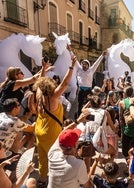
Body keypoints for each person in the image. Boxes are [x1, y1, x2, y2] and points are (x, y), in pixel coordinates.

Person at [33, 51, 78, 186]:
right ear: (51, 86)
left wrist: (43, 69)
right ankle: (56, 180)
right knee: (56, 157)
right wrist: (71, 66)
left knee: (42, 157)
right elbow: (64, 83)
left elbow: (40, 83)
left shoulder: (39, 96)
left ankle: (42, 179)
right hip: (51, 133)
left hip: (39, 131)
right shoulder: (53, 98)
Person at [47, 111, 91, 188]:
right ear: (75, 145)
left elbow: (62, 134)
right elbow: (87, 185)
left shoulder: (52, 154)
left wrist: (77, 121)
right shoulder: (78, 164)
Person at [77, 51, 106, 116]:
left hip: (88, 90)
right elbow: (75, 61)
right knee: (80, 105)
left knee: (89, 104)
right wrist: (70, 50)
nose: (84, 65)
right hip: (81, 90)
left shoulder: (91, 70)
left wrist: (102, 55)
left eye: (85, 64)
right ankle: (79, 118)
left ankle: (88, 117)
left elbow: (96, 63)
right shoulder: (79, 69)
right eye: (83, 64)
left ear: (88, 65)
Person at [118, 86, 134, 160]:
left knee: (125, 151)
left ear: (124, 93)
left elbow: (121, 118)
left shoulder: (122, 102)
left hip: (128, 130)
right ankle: (132, 164)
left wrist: (122, 131)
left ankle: (129, 167)